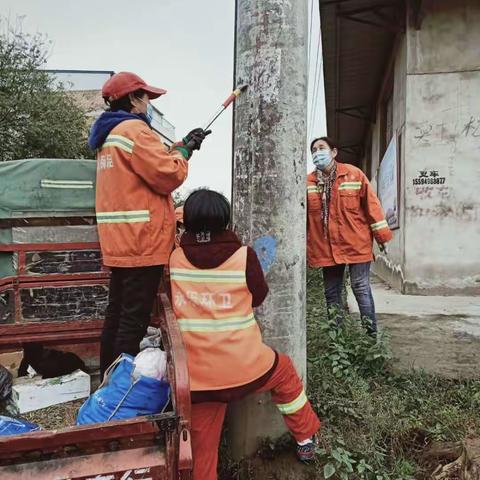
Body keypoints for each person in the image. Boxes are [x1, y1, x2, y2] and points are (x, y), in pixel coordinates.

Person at [169, 189, 321, 480]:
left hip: (198, 378)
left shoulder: (175, 259)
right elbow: (259, 296)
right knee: (285, 371)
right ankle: (305, 437)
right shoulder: (244, 256)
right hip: (247, 367)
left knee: (202, 453)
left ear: (186, 221)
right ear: (226, 220)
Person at [88, 71, 211, 376]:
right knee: (133, 320)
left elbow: (146, 168)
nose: (149, 105)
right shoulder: (135, 130)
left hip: (120, 241)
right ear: (132, 99)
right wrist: (184, 154)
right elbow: (168, 175)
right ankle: (118, 392)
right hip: (142, 241)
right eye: (146, 98)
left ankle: (105, 381)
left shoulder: (109, 135)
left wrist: (183, 144)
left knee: (116, 314)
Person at [307, 136, 393, 333]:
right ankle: (337, 340)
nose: (317, 152)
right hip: (326, 248)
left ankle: (370, 339)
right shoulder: (308, 183)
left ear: (334, 152)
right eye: (313, 150)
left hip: (356, 243)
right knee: (331, 293)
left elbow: (373, 207)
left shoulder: (354, 175)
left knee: (360, 288)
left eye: (321, 148)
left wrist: (382, 237)